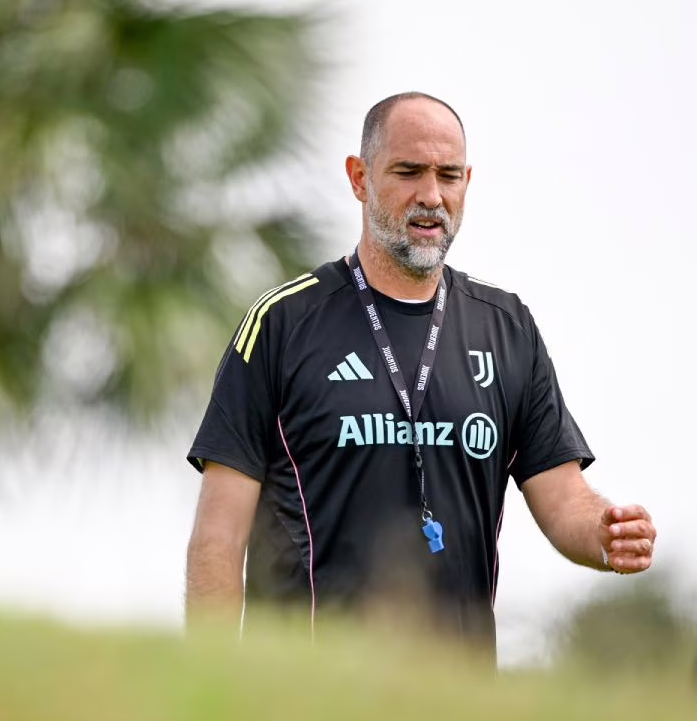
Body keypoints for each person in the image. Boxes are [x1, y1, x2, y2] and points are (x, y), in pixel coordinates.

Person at [184, 92, 656, 657]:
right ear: (359, 178)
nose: (431, 196)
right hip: (307, 690)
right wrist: (210, 681)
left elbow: (563, 499)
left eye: (448, 175)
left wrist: (605, 533)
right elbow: (219, 534)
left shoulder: (507, 328)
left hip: (455, 695)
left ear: (467, 182)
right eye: (409, 172)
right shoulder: (282, 324)